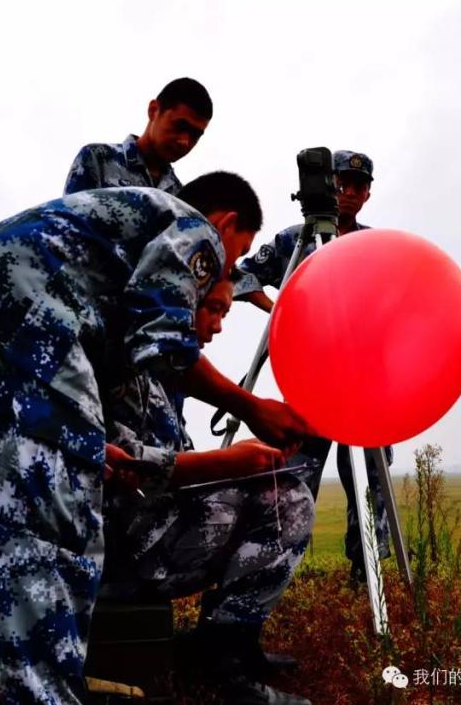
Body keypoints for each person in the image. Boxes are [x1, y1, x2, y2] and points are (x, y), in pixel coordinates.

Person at [0, 173, 309, 705]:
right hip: (125, 533)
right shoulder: (192, 230)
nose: (217, 320)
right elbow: (166, 351)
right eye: (216, 296)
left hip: (0, 340)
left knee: (28, 524)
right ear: (223, 227)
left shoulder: (90, 312)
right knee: (55, 529)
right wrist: (241, 431)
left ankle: (48, 683)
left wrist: (88, 449)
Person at [103, 276, 314, 704]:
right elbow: (122, 463)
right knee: (286, 502)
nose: (217, 326)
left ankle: (230, 644)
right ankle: (223, 665)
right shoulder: (113, 360)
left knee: (279, 485)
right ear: (179, 306)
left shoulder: (159, 374)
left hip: (146, 531)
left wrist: (248, 461)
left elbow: (176, 461)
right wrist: (229, 461)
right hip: (117, 552)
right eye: (213, 310)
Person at [231, 150, 393, 582]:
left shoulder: (373, 247)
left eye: (358, 186)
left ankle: (367, 570)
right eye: (341, 183)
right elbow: (241, 276)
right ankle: (276, 569)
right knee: (298, 473)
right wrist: (280, 311)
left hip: (364, 381)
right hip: (312, 381)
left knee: (371, 477)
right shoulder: (293, 241)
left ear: (368, 193)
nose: (349, 192)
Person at [64, 77, 212, 196]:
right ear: (153, 110)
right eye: (180, 126)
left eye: (195, 135)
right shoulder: (98, 159)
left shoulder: (180, 197)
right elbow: (73, 227)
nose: (184, 142)